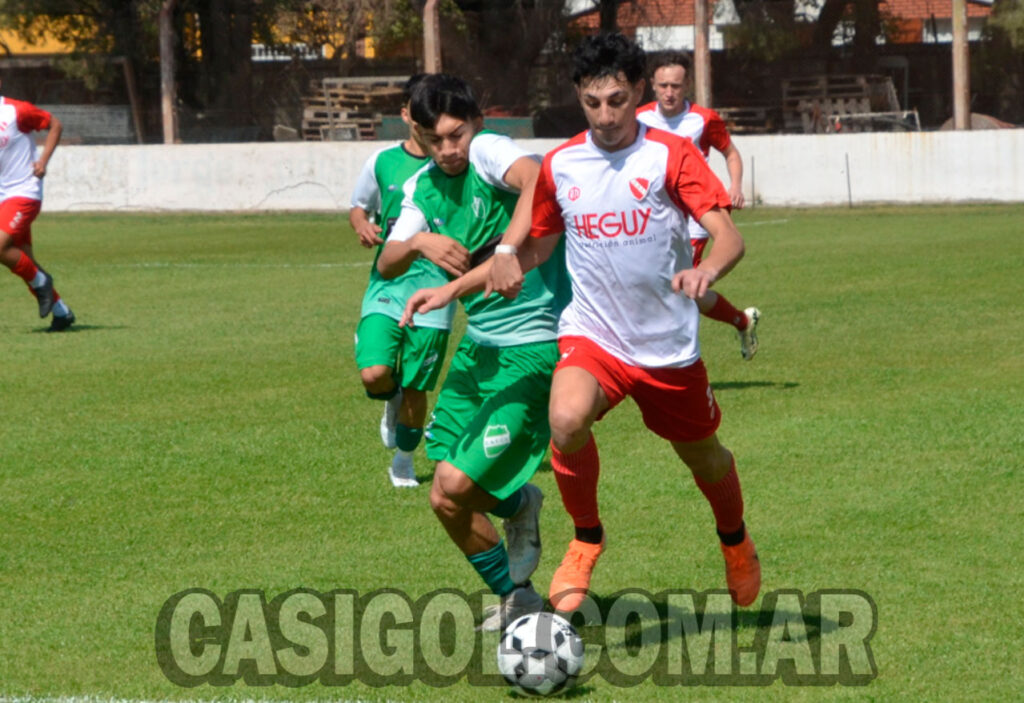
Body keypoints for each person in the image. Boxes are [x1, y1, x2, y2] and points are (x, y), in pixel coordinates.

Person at [485, 33, 761, 612]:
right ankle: (587, 538)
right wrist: (504, 262)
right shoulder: (562, 163)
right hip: (594, 334)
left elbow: (728, 236)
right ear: (578, 98)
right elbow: (542, 244)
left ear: (638, 92)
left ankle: (735, 541)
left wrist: (706, 270)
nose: (605, 115)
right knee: (565, 419)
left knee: (706, 458)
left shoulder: (670, 155)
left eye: (616, 100)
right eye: (592, 103)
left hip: (667, 347)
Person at [378, 73, 570, 630]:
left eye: (455, 135)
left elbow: (536, 178)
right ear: (416, 135)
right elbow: (387, 261)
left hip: (532, 349)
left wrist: (506, 249)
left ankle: (520, 507)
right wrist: (418, 241)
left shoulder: (487, 152)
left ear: (476, 125)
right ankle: (518, 594)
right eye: (434, 139)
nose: (448, 149)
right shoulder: (422, 188)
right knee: (443, 495)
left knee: (460, 483)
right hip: (478, 350)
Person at [349, 74, 454, 487]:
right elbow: (359, 206)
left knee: (416, 386)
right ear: (406, 113)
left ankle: (404, 462)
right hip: (387, 284)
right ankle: (388, 399)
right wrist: (361, 224)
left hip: (434, 293)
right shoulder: (382, 161)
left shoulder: (453, 165)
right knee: (374, 373)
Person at [637, 53, 760, 360]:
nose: (669, 92)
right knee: (682, 290)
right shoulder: (638, 119)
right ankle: (742, 321)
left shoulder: (703, 119)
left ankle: (676, 363)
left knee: (677, 289)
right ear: (652, 84)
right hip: (652, 217)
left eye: (676, 86)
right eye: (663, 85)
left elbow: (731, 153)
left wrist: (735, 186)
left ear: (687, 85)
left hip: (693, 219)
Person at [0, 87, 75, 331]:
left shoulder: (17, 111)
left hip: (24, 192)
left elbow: (55, 125)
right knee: (25, 261)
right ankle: (61, 312)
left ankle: (42, 282)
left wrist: (42, 161)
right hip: (3, 197)